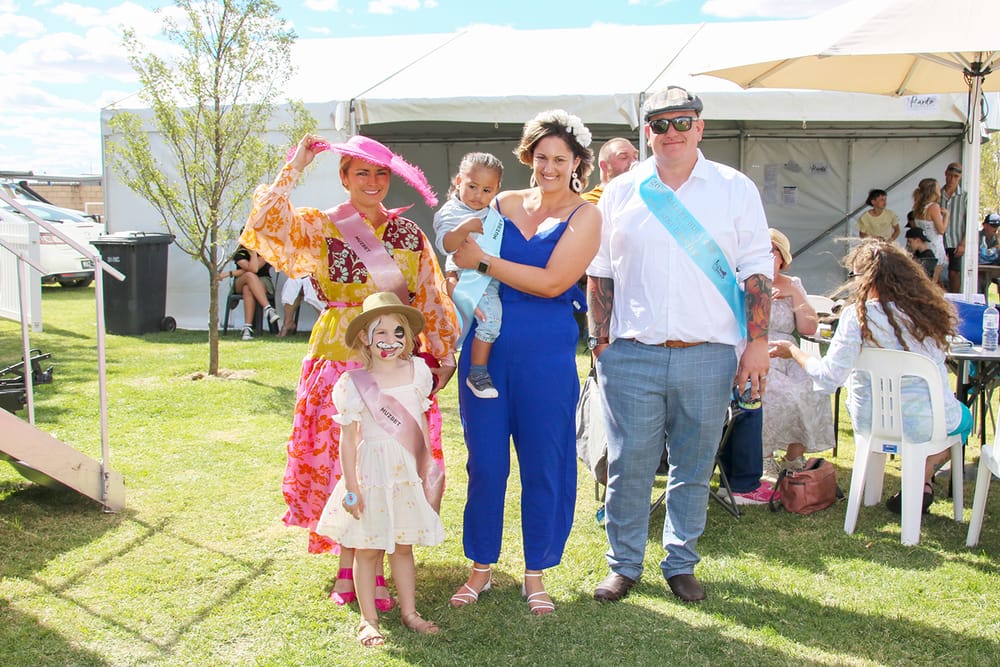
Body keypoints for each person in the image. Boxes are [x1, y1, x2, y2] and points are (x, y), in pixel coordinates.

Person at [239, 134, 459, 609]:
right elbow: (263, 224)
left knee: (391, 462)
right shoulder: (322, 226)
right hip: (339, 355)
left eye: (382, 173)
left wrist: (442, 352)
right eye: (362, 172)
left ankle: (379, 560)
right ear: (343, 177)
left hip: (397, 361)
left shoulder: (408, 235)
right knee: (345, 464)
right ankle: (350, 562)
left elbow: (430, 294)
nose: (374, 182)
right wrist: (295, 165)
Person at [588, 86, 772, 604]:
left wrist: (756, 344)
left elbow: (757, 268)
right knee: (629, 466)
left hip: (710, 355)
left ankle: (680, 562)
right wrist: (600, 345)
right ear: (648, 132)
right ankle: (623, 564)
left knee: (693, 467)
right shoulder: (623, 191)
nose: (672, 132)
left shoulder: (735, 189)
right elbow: (599, 273)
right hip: (632, 354)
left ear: (700, 126)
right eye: (661, 124)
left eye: (682, 121)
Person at [447, 109, 600, 615]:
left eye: (560, 159)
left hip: (546, 355)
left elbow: (555, 282)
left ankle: (536, 573)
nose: (550, 167)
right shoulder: (504, 201)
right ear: (528, 158)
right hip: (485, 353)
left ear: (577, 161)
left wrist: (485, 261)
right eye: (541, 157)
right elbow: (456, 249)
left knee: (544, 464)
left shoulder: (587, 216)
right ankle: (481, 568)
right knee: (485, 463)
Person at [770, 240, 972, 514]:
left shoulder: (857, 317)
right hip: (927, 422)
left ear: (867, 279)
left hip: (871, 420)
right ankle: (923, 478)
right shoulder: (929, 314)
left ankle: (920, 482)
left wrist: (793, 351)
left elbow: (830, 377)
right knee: (963, 419)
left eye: (855, 276)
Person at [315, 292, 445, 647]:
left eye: (398, 332)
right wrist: (352, 486)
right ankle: (368, 620)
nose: (390, 341)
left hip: (404, 475)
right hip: (372, 476)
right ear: (364, 338)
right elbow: (347, 441)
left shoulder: (418, 371)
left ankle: (410, 612)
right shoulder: (354, 385)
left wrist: (424, 470)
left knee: (403, 546)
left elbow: (419, 423)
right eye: (380, 332)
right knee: (368, 549)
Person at [760, 229, 833, 477]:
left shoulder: (793, 284)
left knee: (814, 386)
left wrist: (794, 293)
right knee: (778, 392)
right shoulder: (745, 282)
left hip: (789, 352)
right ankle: (764, 457)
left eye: (773, 251)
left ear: (782, 257)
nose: (768, 256)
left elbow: (808, 328)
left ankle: (793, 457)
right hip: (757, 349)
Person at [433, 152, 505, 399]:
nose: (478, 195)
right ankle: (478, 373)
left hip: (493, 276)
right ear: (458, 182)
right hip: (472, 279)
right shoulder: (451, 211)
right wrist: (463, 228)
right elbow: (446, 245)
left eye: (487, 190)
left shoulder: (494, 213)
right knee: (491, 320)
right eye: (472, 186)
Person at [218, 245, 280, 340]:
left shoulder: (266, 250)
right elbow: (252, 270)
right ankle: (268, 308)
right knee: (249, 276)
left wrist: (229, 273)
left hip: (262, 281)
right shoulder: (240, 252)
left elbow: (255, 268)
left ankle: (247, 328)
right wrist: (253, 252)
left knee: (247, 288)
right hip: (241, 281)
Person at [911, 177, 948, 284]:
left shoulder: (918, 207)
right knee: (934, 281)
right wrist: (946, 216)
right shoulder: (933, 207)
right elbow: (941, 230)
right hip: (935, 246)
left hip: (923, 247)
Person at [582, 137, 639, 204]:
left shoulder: (641, 199)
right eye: (624, 157)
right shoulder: (587, 203)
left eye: (636, 157)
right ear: (604, 166)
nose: (633, 162)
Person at [940, 163, 967, 292]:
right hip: (939, 240)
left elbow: (969, 222)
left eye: (956, 176)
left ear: (960, 177)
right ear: (945, 173)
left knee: (954, 274)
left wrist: (964, 242)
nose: (952, 180)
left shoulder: (965, 197)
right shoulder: (937, 195)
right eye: (950, 176)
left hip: (956, 241)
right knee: (936, 274)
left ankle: (956, 301)